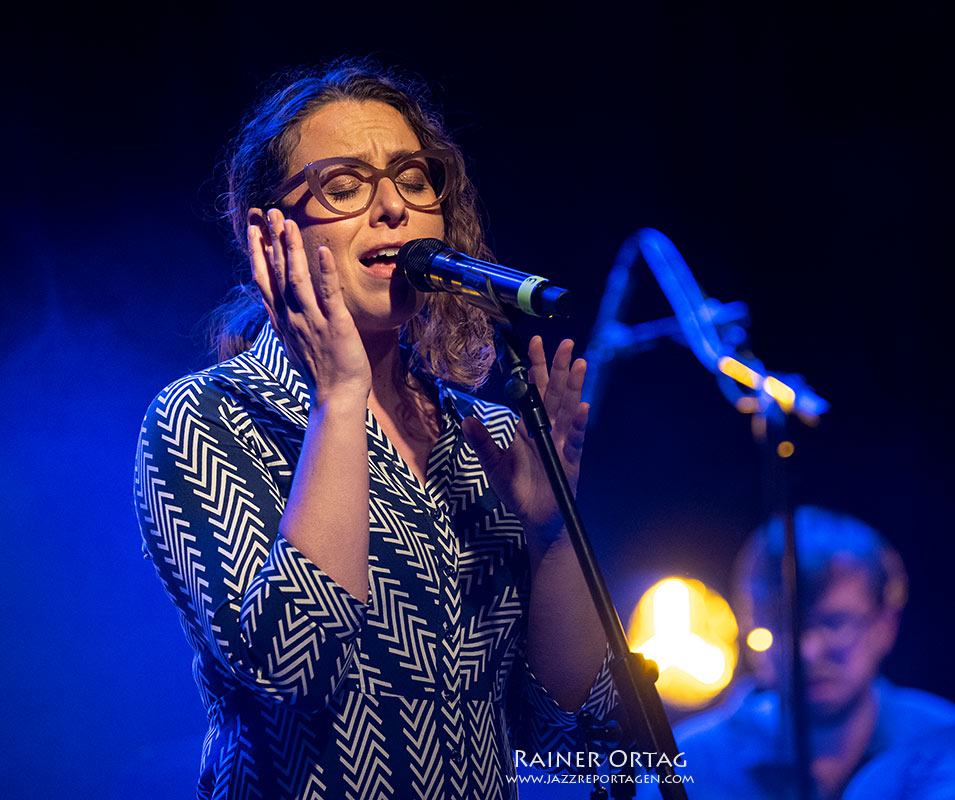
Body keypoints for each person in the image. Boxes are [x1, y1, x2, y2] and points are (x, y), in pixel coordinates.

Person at [134, 58, 616, 800]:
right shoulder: (208, 417)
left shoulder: (485, 436)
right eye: (343, 186)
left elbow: (573, 738)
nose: (392, 206)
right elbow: (296, 669)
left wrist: (549, 540)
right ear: (270, 233)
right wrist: (340, 400)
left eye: (414, 178)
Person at [673, 507, 955, 799]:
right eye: (782, 625)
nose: (808, 651)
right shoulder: (687, 763)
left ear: (886, 625)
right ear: (750, 625)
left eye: (835, 623)